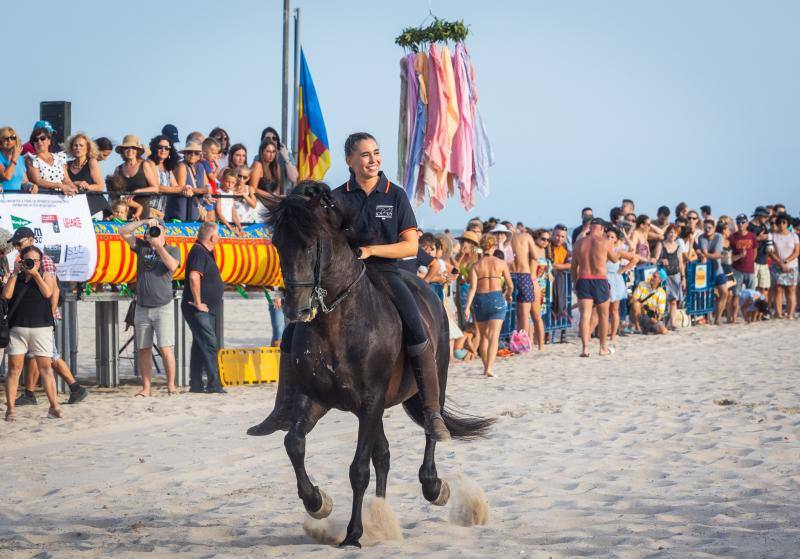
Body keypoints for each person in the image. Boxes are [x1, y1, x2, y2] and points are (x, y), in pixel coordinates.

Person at [8, 226, 88, 407]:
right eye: (15, 244)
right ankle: (30, 393)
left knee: (51, 355)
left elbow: (53, 290)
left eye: (18, 243)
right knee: (38, 356)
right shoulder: (21, 260)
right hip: (33, 317)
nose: (16, 247)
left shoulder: (42, 260)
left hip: (43, 317)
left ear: (30, 240)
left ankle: (75, 387)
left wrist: (49, 315)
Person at [119, 218, 181, 396]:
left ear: (165, 231)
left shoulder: (172, 249)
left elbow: (172, 266)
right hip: (142, 306)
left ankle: (171, 385)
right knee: (143, 348)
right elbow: (123, 231)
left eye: (158, 229)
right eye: (151, 230)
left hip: (163, 306)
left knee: (165, 347)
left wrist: (158, 246)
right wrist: (145, 221)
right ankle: (146, 388)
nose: (153, 231)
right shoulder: (142, 246)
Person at [3, 246, 61, 421]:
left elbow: (48, 293)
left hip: (41, 327)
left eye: (35, 261)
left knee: (46, 368)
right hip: (17, 328)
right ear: (21, 260)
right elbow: (6, 295)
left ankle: (54, 406)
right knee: (14, 369)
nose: (31, 263)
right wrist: (14, 274)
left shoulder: (45, 275)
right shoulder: (16, 276)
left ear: (40, 261)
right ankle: (10, 409)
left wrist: (35, 274)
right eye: (27, 260)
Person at [182, 221, 225, 393]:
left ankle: (196, 384)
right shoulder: (199, 251)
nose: (220, 238)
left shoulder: (204, 252)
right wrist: (198, 303)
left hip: (206, 308)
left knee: (200, 345)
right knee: (209, 343)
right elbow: (194, 277)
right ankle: (214, 384)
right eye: (219, 235)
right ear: (212, 237)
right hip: (198, 308)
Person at [464, 234, 513, 378]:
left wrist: (467, 307)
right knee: (494, 337)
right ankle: (489, 369)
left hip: (480, 299)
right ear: (493, 246)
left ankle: (486, 367)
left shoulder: (476, 265)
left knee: (484, 337)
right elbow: (510, 285)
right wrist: (508, 294)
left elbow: (472, 288)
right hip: (496, 298)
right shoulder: (500, 263)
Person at [571, 218, 618, 357]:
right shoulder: (605, 242)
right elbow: (614, 259)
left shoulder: (579, 243)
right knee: (604, 316)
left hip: (583, 280)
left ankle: (585, 348)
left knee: (585, 315)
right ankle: (603, 348)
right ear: (602, 229)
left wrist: (575, 283)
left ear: (590, 228)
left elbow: (573, 267)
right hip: (599, 280)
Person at [113, 135, 160, 218]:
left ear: (137, 151)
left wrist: (137, 191)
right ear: (122, 151)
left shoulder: (144, 165)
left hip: (142, 213)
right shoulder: (118, 169)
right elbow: (113, 193)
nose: (130, 150)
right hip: (122, 215)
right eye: (127, 148)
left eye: (133, 148)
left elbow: (155, 188)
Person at [65, 133, 109, 218]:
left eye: (81, 145)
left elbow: (100, 186)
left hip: (93, 207)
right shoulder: (66, 165)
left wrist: (87, 187)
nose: (78, 148)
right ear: (71, 148)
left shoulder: (92, 162)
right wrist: (77, 183)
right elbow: (63, 184)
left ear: (87, 148)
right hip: (74, 208)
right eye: (75, 145)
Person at [606, 226, 638, 342]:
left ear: (615, 239)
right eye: (607, 236)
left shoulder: (617, 250)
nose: (609, 238)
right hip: (602, 279)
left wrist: (623, 269)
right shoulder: (601, 249)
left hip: (615, 279)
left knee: (614, 309)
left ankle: (613, 335)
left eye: (612, 237)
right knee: (603, 310)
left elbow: (635, 258)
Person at [26, 126, 78, 195]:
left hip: (62, 198)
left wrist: (72, 187)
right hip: (43, 198)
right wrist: (60, 186)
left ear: (49, 141)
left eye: (42, 138)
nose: (39, 141)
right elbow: (38, 181)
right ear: (33, 143)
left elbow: (66, 179)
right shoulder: (31, 159)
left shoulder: (59, 157)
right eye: (36, 140)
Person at [697, 218, 728, 325]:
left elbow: (716, 254)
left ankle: (717, 318)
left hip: (718, 269)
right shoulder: (701, 237)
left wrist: (712, 255)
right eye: (705, 228)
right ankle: (708, 317)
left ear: (714, 228)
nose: (707, 229)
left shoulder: (719, 237)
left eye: (709, 227)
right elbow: (714, 254)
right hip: (706, 271)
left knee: (725, 293)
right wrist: (715, 255)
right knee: (706, 295)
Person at [653, 224, 685, 329]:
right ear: (667, 233)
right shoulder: (661, 244)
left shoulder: (678, 247)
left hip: (676, 275)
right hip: (664, 276)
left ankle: (673, 323)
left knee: (674, 300)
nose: (673, 234)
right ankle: (661, 322)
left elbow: (681, 263)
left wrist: (683, 277)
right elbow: (655, 259)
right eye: (671, 232)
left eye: (675, 233)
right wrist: (661, 260)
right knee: (663, 300)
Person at [165, 141, 206, 222]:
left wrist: (205, 193)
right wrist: (202, 191)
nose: (193, 155)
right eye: (190, 152)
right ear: (184, 154)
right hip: (179, 215)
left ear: (199, 156)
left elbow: (207, 187)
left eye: (196, 153)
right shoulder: (181, 166)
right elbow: (182, 189)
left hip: (194, 214)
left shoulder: (200, 167)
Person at [509, 225, 537, 343]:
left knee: (515, 314)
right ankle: (523, 341)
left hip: (510, 276)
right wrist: (532, 275)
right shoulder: (526, 236)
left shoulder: (505, 239)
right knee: (524, 314)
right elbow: (535, 256)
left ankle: (516, 340)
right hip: (524, 275)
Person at [769, 213, 799, 319]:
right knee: (778, 290)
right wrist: (780, 263)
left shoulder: (793, 236)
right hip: (777, 266)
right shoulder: (773, 236)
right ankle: (779, 313)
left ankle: (790, 314)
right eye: (779, 222)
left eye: (784, 222)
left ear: (787, 223)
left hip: (791, 266)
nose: (781, 224)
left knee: (791, 290)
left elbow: (796, 252)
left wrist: (786, 261)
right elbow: (770, 252)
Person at [629, 268, 669, 335]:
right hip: (640, 314)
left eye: (654, 276)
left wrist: (656, 319)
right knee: (636, 304)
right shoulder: (642, 284)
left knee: (664, 331)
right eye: (652, 275)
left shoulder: (662, 293)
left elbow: (660, 313)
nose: (651, 278)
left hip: (650, 317)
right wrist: (644, 306)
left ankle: (647, 328)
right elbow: (632, 301)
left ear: (660, 280)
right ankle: (638, 327)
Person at [259, 126, 299, 191]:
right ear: (262, 141)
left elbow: (294, 178)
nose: (271, 140)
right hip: (266, 196)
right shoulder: (258, 157)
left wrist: (286, 157)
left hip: (285, 196)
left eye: (274, 138)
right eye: (268, 138)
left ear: (277, 141)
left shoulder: (286, 154)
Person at [730, 213, 758, 294]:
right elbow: (730, 258)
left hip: (750, 271)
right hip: (737, 271)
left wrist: (751, 262)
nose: (740, 224)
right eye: (738, 222)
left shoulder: (752, 236)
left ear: (747, 223)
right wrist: (740, 256)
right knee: (736, 296)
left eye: (743, 222)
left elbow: (755, 251)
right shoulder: (732, 237)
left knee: (751, 295)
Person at [749, 207, 772, 296]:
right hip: (753, 262)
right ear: (759, 216)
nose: (767, 219)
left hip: (764, 261)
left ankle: (762, 309)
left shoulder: (765, 226)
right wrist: (758, 238)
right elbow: (745, 243)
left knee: (764, 288)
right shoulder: (749, 226)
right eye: (765, 217)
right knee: (752, 289)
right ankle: (753, 309)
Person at [0, 126, 30, 192]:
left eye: (12, 137)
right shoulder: (15, 157)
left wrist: (31, 186)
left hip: (16, 200)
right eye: (6, 138)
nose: (9, 140)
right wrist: (14, 158)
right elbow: (7, 176)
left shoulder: (20, 158)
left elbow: (24, 181)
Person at [215, 168, 244, 235]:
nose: (230, 185)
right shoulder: (219, 192)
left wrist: (240, 228)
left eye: (233, 183)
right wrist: (229, 227)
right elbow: (219, 212)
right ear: (222, 180)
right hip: (221, 225)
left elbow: (233, 213)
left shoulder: (231, 193)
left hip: (229, 224)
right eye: (227, 182)